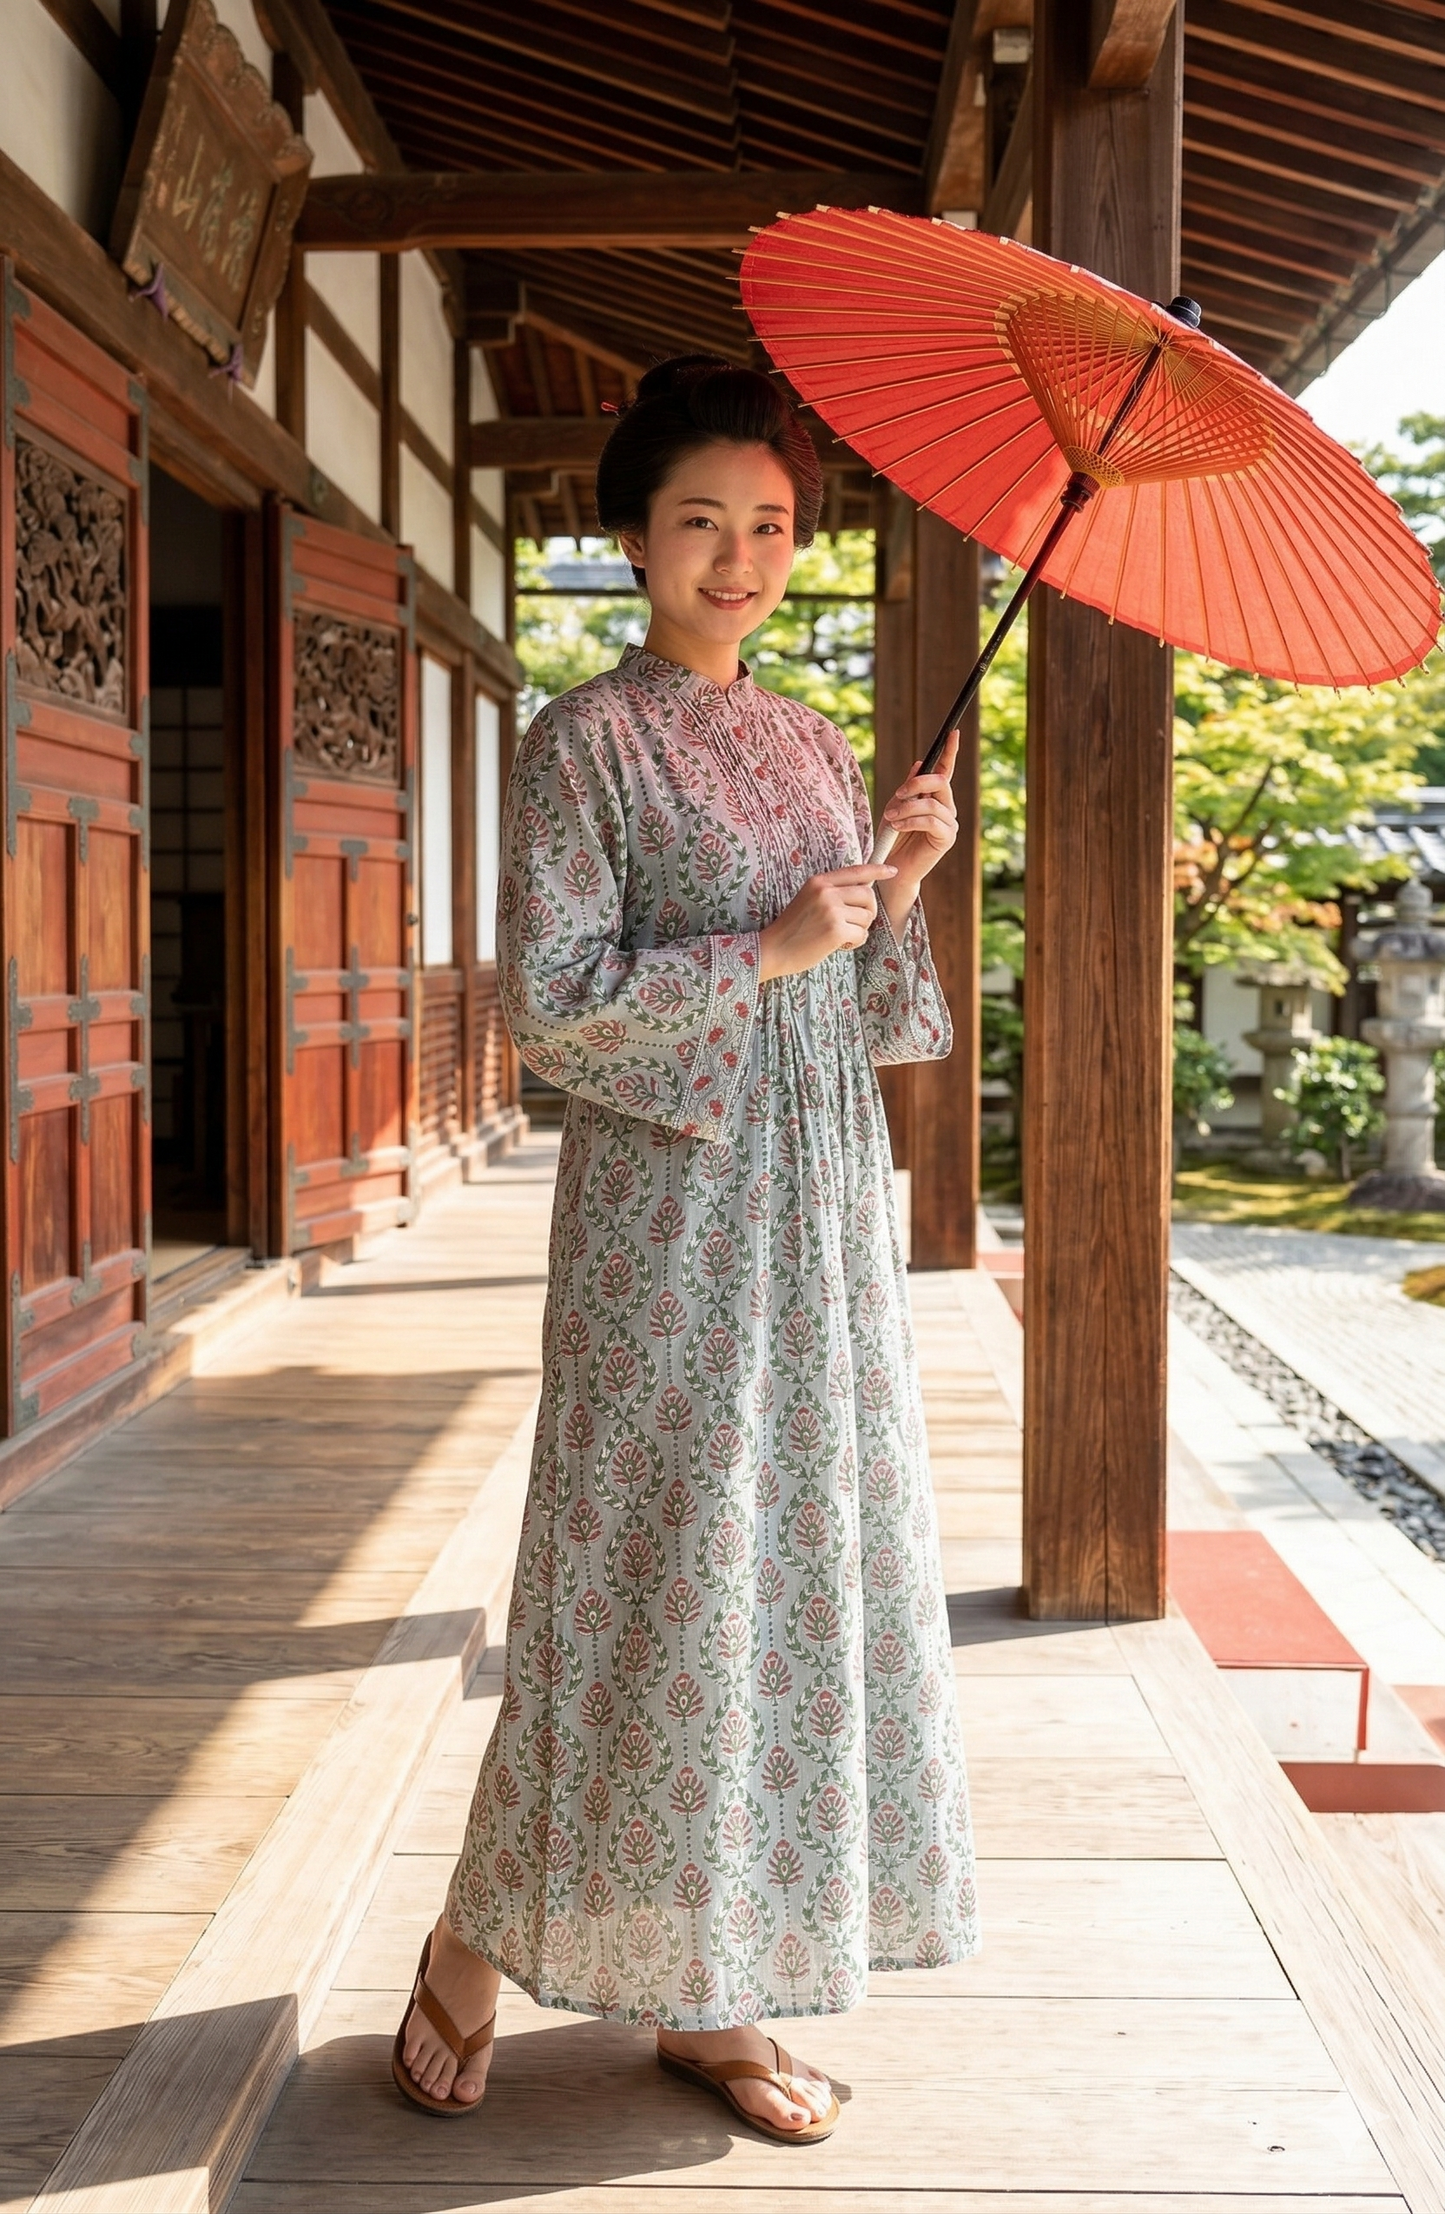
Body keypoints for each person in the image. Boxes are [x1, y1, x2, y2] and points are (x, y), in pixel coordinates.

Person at [393, 354, 979, 2142]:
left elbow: (866, 1003)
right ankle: (469, 1947)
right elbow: (552, 1017)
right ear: (634, 535)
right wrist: (778, 947)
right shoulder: (585, 743)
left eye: (775, 527)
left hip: (816, 1208)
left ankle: (711, 1993)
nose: (743, 559)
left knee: (789, 1576)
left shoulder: (812, 745)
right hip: (667, 1221)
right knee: (644, 1573)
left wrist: (905, 868)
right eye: (706, 523)